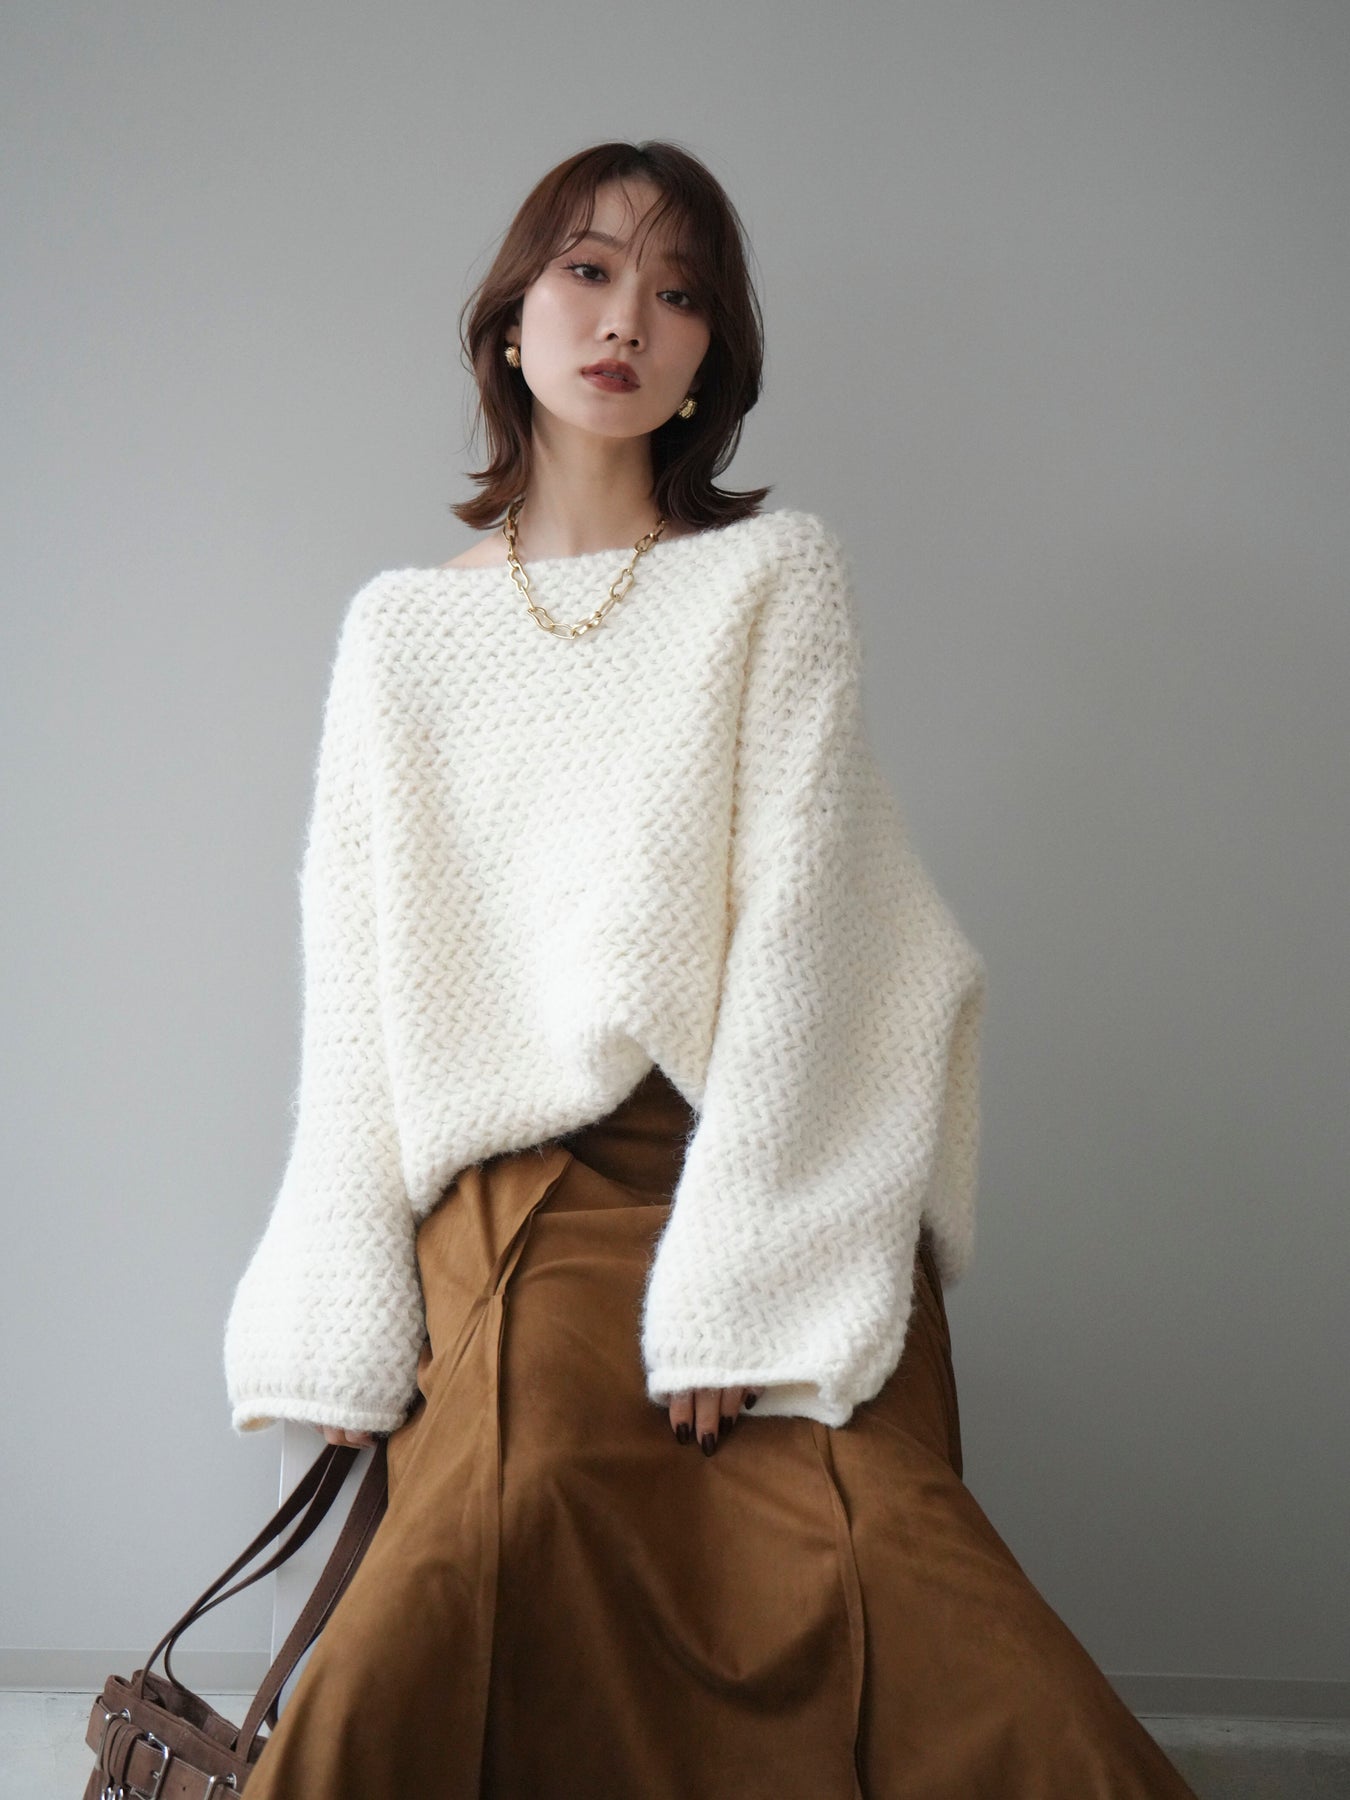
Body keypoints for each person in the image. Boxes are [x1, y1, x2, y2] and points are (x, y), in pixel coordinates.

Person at [223, 140, 1200, 1798]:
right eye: (588, 272)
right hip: (519, 1203)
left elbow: (809, 936)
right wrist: (339, 1303)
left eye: (677, 295)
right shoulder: (398, 631)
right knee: (499, 1523)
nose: (627, 320)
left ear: (707, 361)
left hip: (756, 1165)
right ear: (511, 320)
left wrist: (740, 1277)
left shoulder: (769, 576)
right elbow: (358, 986)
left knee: (893, 1560)